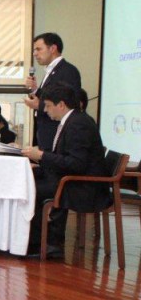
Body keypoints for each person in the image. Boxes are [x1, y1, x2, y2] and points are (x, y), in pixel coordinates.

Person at [22, 84, 109, 258]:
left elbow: (76, 164)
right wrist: (40, 163)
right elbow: (67, 159)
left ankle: (43, 244)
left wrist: (41, 156)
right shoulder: (74, 121)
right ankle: (35, 241)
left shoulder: (78, 124)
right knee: (30, 182)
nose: (45, 110)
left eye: (47, 105)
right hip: (71, 179)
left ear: (61, 105)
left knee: (30, 190)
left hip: (82, 187)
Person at [25, 32, 82, 152]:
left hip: (56, 133)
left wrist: (38, 105)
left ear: (53, 48)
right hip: (45, 134)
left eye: (39, 49)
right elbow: (51, 97)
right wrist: (36, 90)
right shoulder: (50, 71)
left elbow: (67, 104)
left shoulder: (67, 71)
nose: (35, 53)